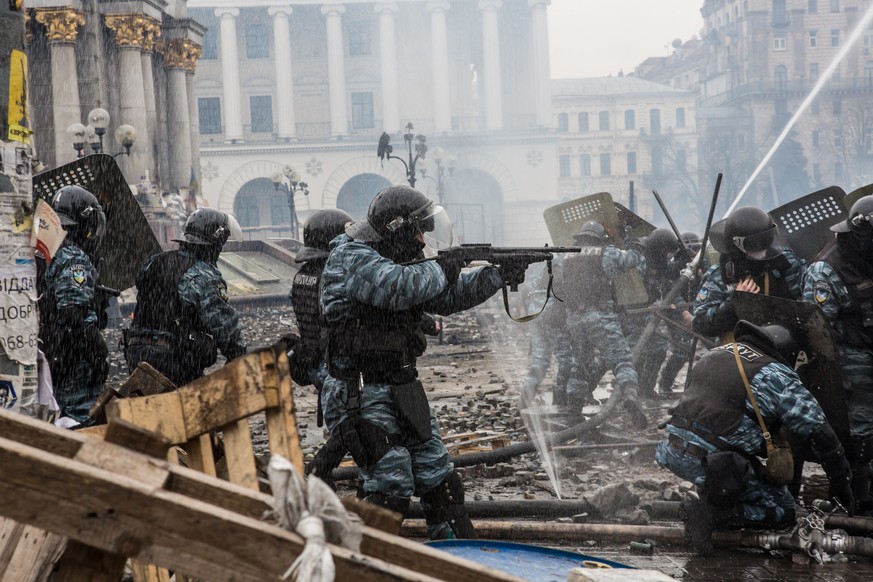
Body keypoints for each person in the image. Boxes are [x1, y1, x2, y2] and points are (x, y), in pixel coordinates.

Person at [319, 185, 505, 539]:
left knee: (439, 478)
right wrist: (446, 268)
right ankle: (361, 564)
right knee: (390, 484)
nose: (422, 241)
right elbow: (400, 287)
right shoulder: (352, 257)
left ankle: (456, 562)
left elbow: (444, 297)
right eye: (417, 231)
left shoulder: (392, 256)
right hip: (360, 392)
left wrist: (495, 276)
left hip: (402, 386)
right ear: (396, 228)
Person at [656, 320, 854, 554]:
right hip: (708, 462)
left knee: (742, 464)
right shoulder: (774, 373)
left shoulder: (714, 354)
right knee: (784, 509)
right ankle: (711, 515)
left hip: (671, 449)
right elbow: (820, 431)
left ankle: (714, 499)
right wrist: (841, 482)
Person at [802, 195, 873, 514]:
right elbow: (819, 332)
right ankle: (853, 497)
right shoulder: (826, 270)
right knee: (860, 434)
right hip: (847, 358)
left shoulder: (867, 255)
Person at [124, 208, 247, 387]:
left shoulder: (154, 261)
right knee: (190, 411)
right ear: (216, 242)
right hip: (173, 360)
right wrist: (239, 356)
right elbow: (224, 325)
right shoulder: (204, 274)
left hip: (136, 353)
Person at [554, 220, 648, 427]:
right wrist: (635, 243)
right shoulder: (608, 253)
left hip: (574, 321)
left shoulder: (565, 256)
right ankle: (631, 398)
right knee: (622, 361)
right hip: (601, 318)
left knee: (580, 366)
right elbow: (633, 259)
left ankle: (574, 411)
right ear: (599, 238)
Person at [37, 186, 108, 426]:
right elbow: (74, 312)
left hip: (49, 350)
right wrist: (98, 353)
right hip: (71, 358)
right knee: (82, 421)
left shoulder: (44, 252)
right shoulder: (73, 257)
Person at [692, 206, 806, 342]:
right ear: (738, 247)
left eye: (765, 243)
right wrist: (735, 303)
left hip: (785, 343)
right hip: (741, 353)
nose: (762, 253)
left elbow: (807, 303)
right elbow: (699, 324)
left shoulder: (784, 263)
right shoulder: (719, 276)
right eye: (755, 246)